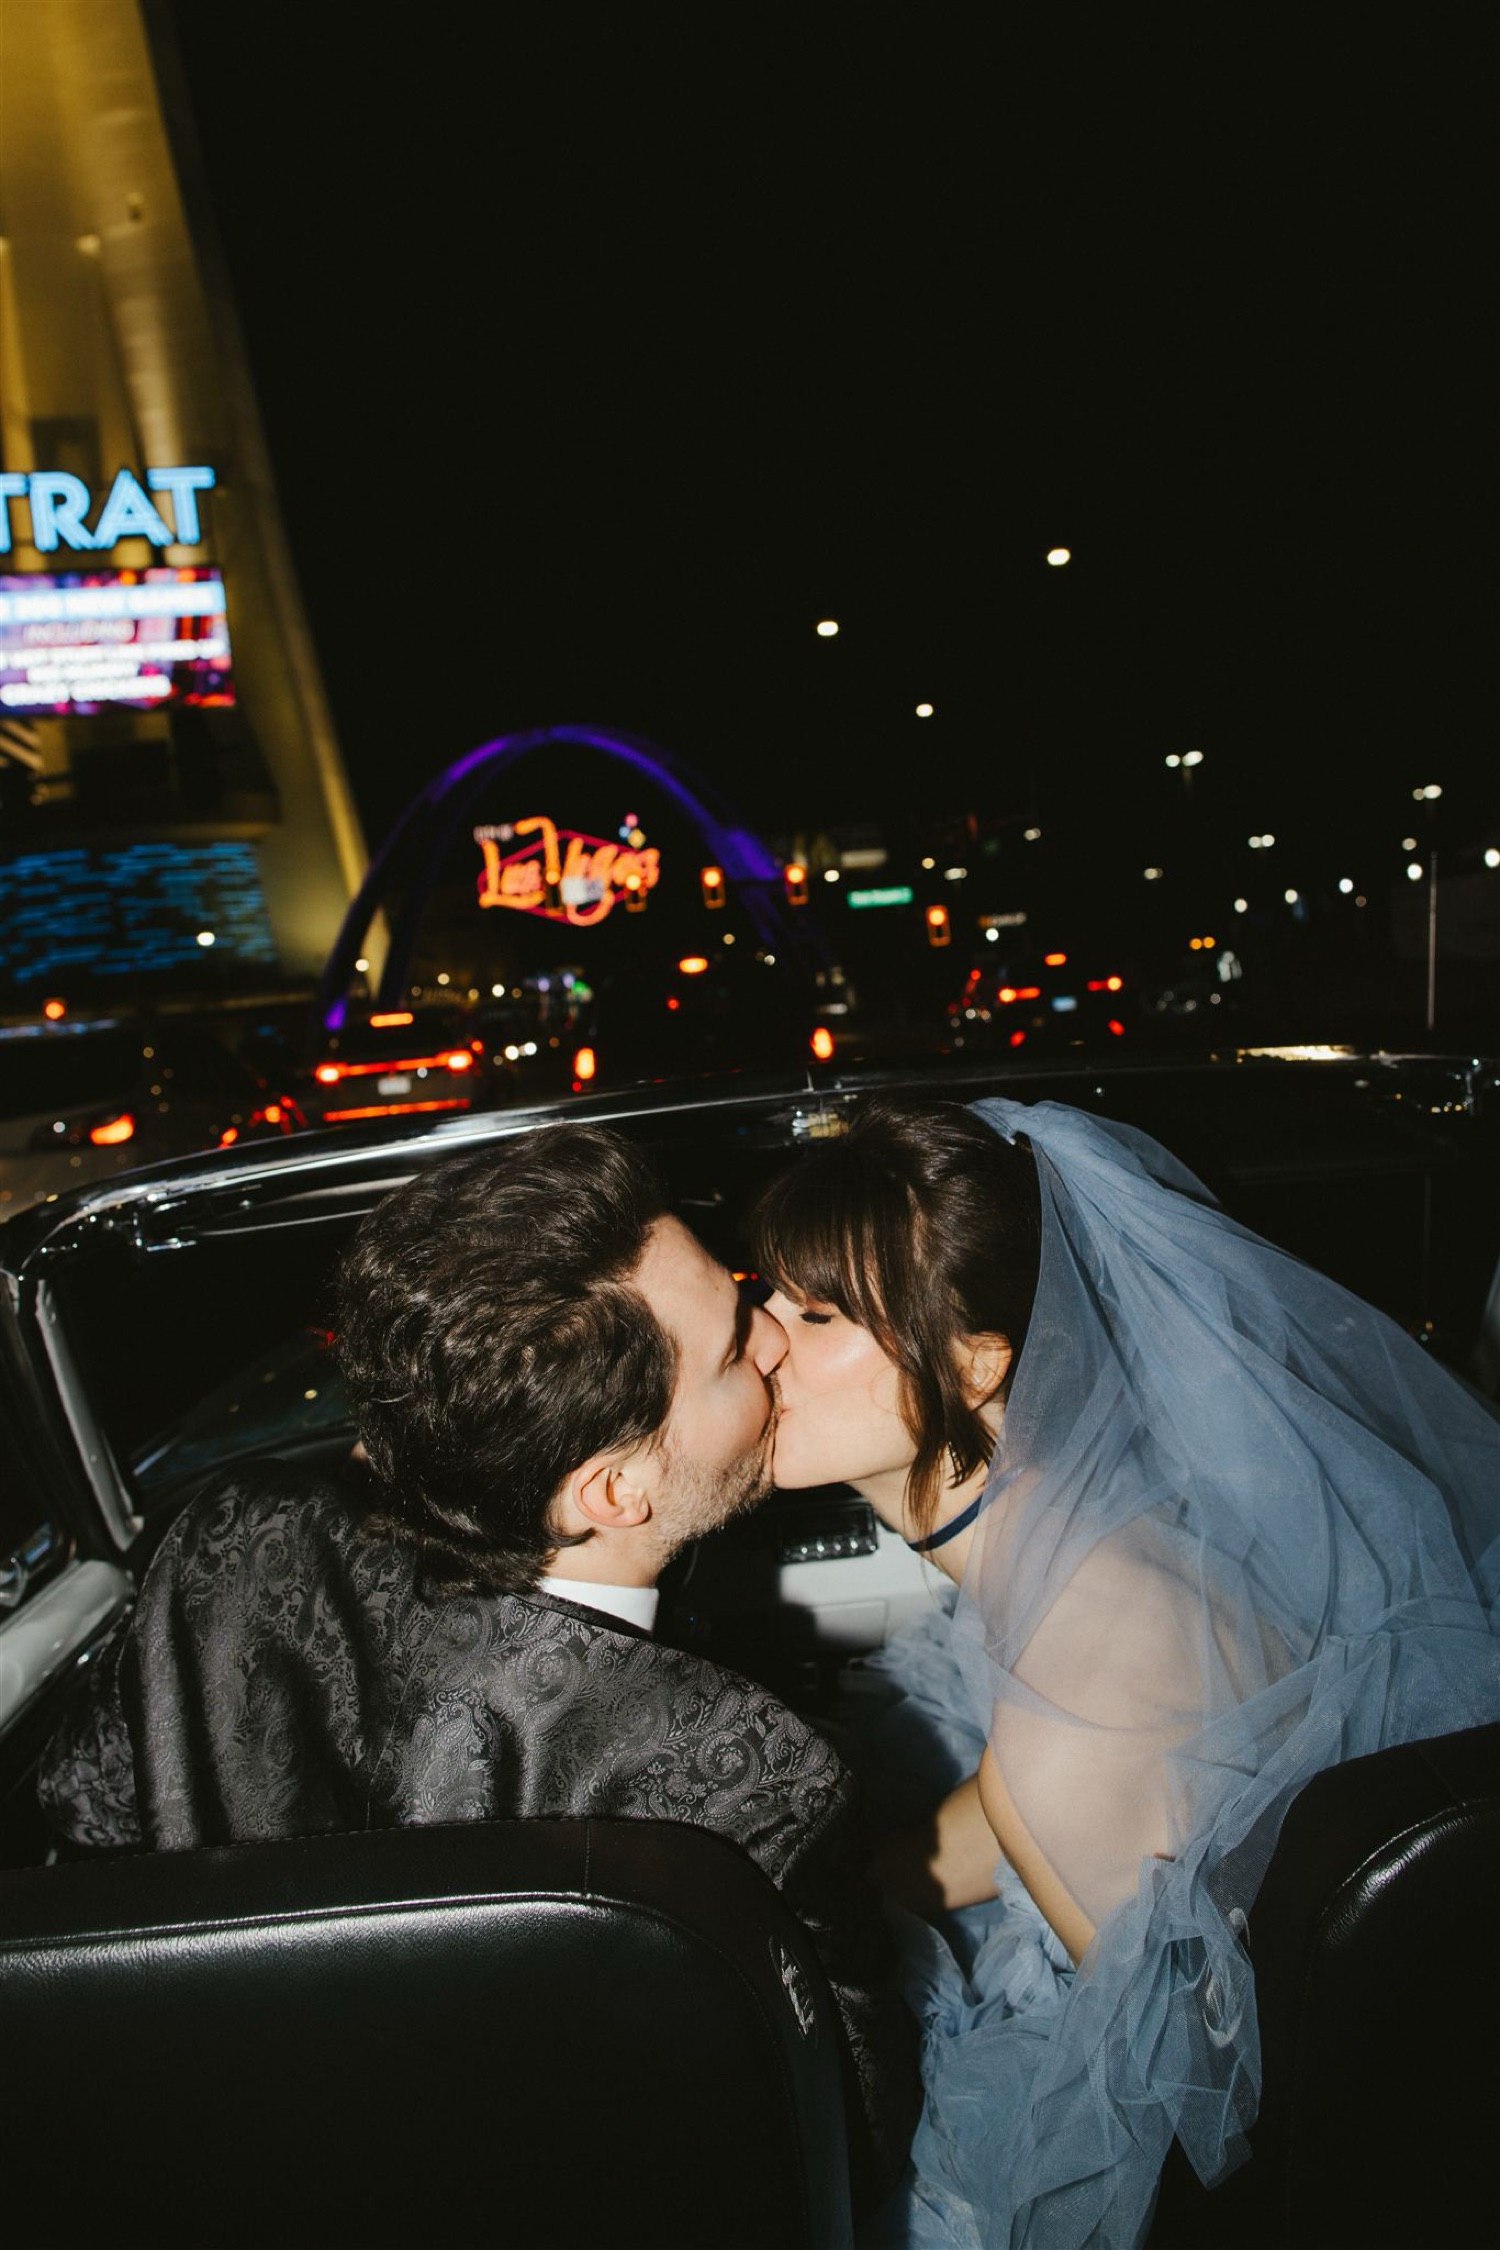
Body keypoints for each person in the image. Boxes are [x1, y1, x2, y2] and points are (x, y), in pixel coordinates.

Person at [38, 1121, 919, 2202]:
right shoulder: (752, 1775)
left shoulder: (227, 1538)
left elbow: (82, 1833)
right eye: (738, 1348)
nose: (777, 1339)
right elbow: (849, 2136)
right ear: (614, 1492)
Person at [751, 1092, 1500, 2249]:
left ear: (976, 1361)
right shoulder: (1072, 1531)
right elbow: (1010, 1816)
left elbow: (1198, 2121)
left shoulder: (1078, 1705)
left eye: (817, 1315)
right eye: (767, 1296)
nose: (761, 1343)